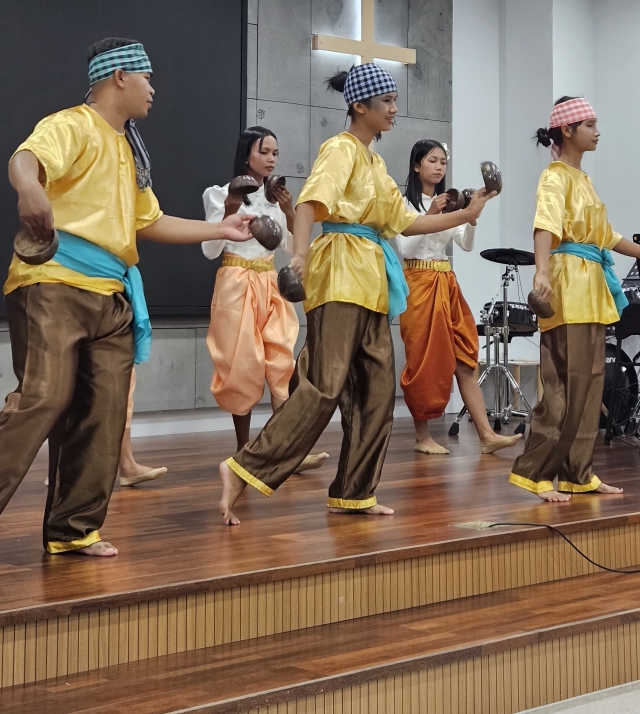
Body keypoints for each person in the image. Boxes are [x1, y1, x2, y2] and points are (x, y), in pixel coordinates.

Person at [0, 39, 252, 565]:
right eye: (147, 78)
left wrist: (222, 228)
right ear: (119, 76)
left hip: (111, 293)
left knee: (103, 414)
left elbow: (150, 221)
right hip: (54, 282)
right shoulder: (72, 124)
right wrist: (29, 188)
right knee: (44, 397)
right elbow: (25, 159)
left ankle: (73, 529)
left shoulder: (129, 149)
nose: (153, 89)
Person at [218, 63, 495, 525]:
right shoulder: (340, 149)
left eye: (395, 100)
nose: (394, 109)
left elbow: (408, 222)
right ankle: (243, 468)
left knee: (376, 392)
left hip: (370, 279)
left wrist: (469, 214)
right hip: (340, 270)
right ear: (359, 106)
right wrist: (300, 255)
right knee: (326, 384)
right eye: (386, 101)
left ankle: (354, 491)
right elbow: (310, 203)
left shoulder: (375, 164)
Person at [510, 96, 640, 503]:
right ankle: (536, 472)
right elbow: (545, 226)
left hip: (590, 288)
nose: (597, 132)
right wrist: (542, 271)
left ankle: (578, 472)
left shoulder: (582, 179)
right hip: (568, 286)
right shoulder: (555, 176)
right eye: (590, 125)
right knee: (563, 386)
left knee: (589, 387)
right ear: (567, 130)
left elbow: (607, 237)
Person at [202, 126, 326, 469]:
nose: (271, 159)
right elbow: (210, 249)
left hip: (271, 281)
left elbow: (291, 245)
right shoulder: (218, 194)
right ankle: (244, 450)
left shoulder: (275, 198)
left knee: (281, 363)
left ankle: (283, 449)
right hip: (235, 281)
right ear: (246, 155)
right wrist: (229, 208)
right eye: (264, 152)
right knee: (242, 364)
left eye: (275, 153)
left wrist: (289, 211)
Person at [397, 139, 516, 457]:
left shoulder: (447, 203)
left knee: (465, 357)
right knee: (422, 359)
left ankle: (486, 435)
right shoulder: (403, 203)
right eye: (432, 160)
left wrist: (472, 216)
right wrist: (430, 214)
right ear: (416, 166)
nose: (439, 167)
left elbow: (466, 244)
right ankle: (422, 436)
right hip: (418, 282)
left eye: (443, 162)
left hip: (446, 281)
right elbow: (405, 249)